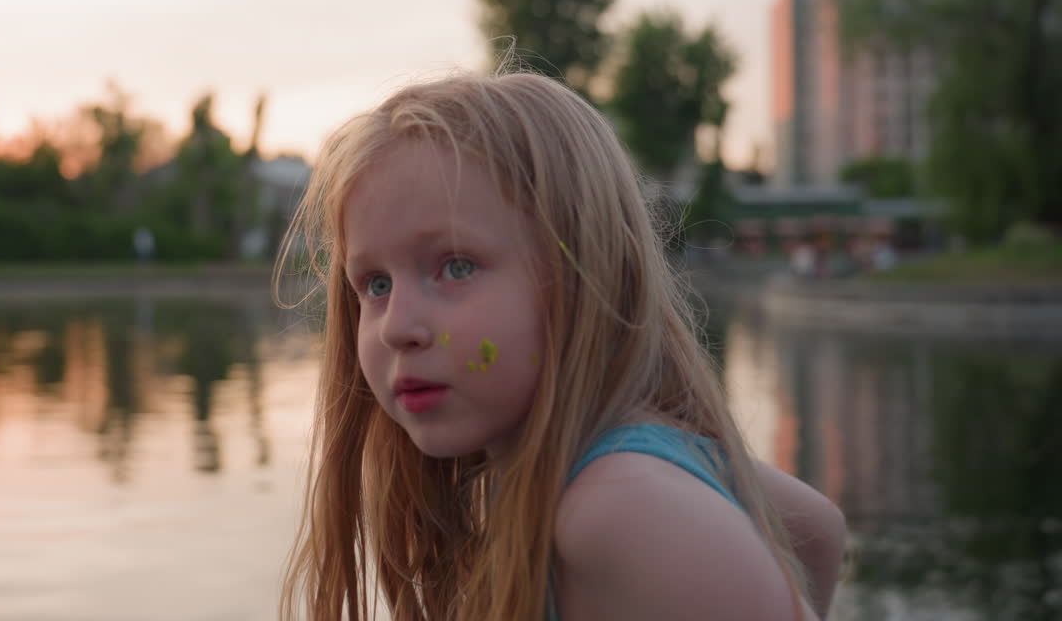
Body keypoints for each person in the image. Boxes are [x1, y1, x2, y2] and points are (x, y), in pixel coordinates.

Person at [276, 72, 846, 621]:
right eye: (376, 285)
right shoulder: (564, 470)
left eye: (455, 266)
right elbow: (815, 527)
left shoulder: (619, 506)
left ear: (583, 277)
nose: (397, 325)